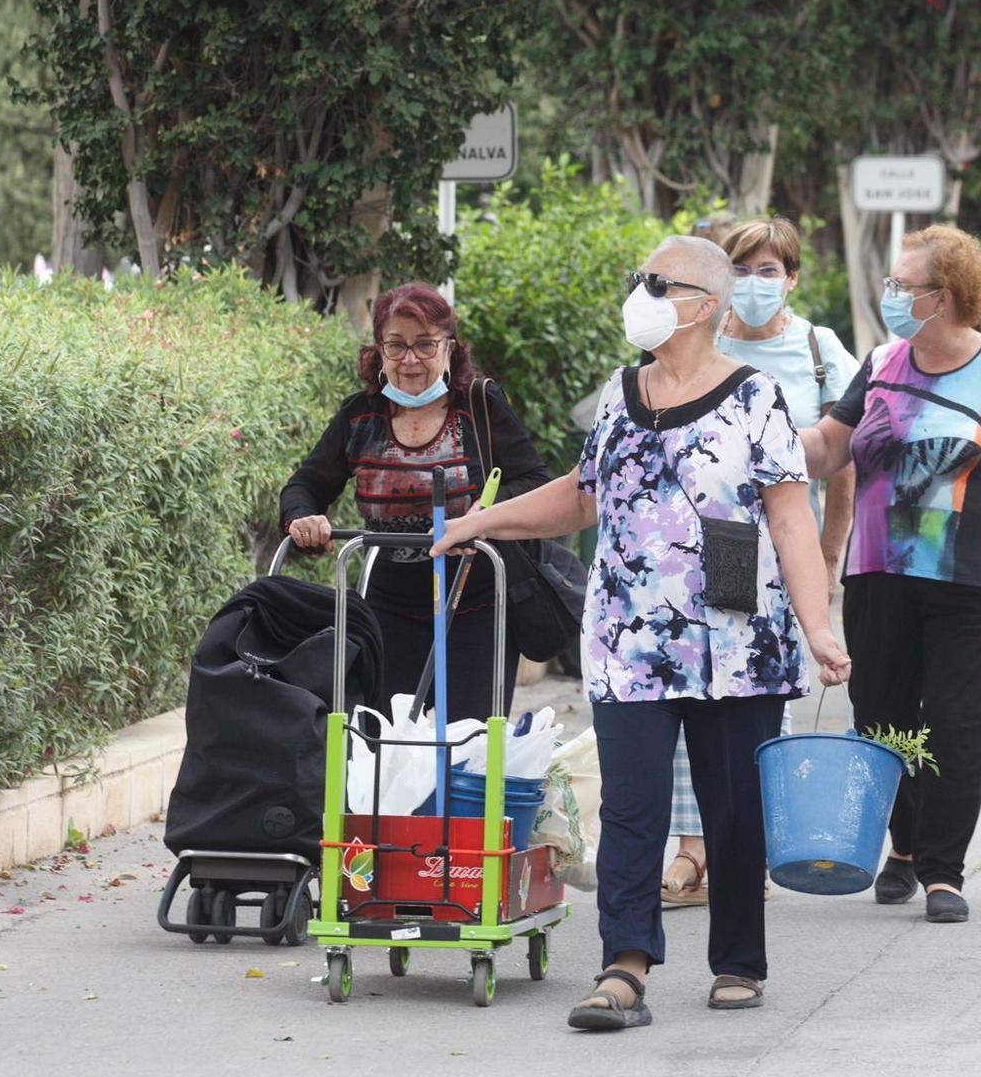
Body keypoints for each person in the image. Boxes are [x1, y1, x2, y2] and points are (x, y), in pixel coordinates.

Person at [436, 235, 851, 1031]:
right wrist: (480, 521)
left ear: (703, 304)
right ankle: (624, 965)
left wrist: (819, 629)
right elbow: (582, 495)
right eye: (640, 279)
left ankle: (736, 961)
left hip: (735, 642)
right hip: (628, 639)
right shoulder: (620, 391)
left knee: (734, 809)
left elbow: (792, 520)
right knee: (631, 806)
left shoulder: (756, 397)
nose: (641, 292)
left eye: (655, 282)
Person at [800, 225, 981, 924]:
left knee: (953, 724)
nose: (891, 296)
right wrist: (764, 438)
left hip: (970, 578)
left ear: (945, 296)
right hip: (878, 573)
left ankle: (943, 870)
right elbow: (832, 446)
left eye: (903, 286)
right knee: (882, 719)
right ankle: (903, 845)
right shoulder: (883, 360)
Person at [658, 216, 860, 910]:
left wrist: (828, 555)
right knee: (687, 686)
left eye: (768, 270)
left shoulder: (819, 349)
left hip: (778, 553)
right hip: (696, 550)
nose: (753, 284)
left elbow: (843, 460)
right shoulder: (698, 339)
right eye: (740, 270)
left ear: (792, 278)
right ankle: (692, 851)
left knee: (753, 700)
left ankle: (742, 846)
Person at [281, 283, 549, 721]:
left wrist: (486, 516)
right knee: (385, 744)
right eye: (396, 345)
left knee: (467, 747)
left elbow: (534, 481)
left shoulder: (478, 406)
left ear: (450, 349)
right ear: (379, 351)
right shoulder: (360, 415)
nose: (410, 360)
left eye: (425, 345)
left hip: (475, 606)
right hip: (386, 610)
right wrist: (302, 516)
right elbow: (306, 484)